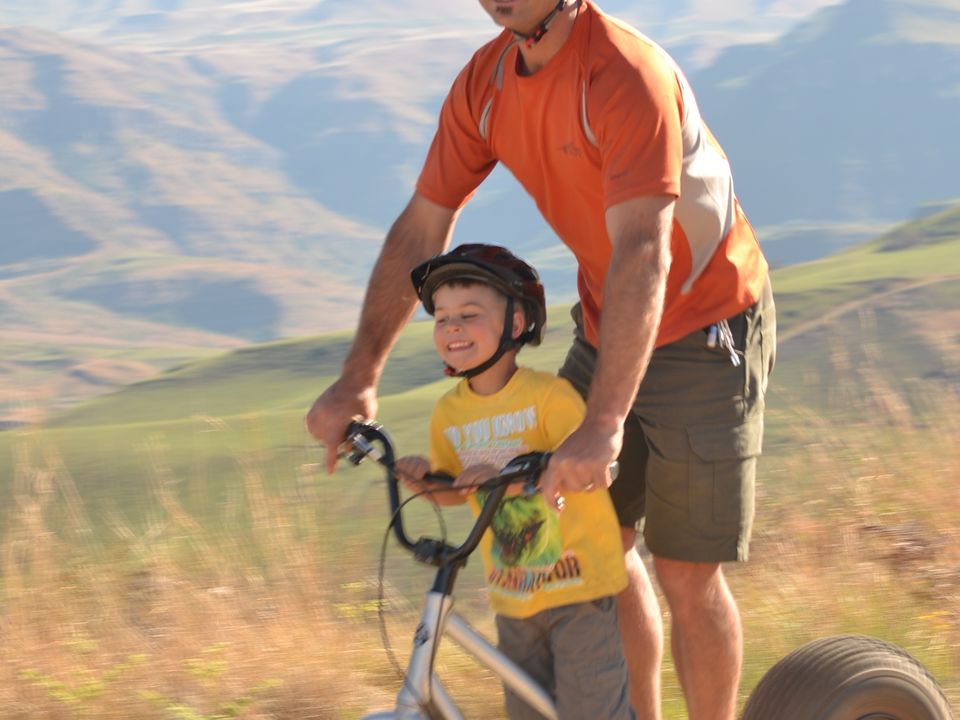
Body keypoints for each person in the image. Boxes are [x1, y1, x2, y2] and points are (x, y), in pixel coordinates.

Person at [306, 1, 776, 718]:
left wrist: (605, 423)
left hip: (706, 322)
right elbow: (422, 226)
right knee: (596, 550)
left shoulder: (624, 75)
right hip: (608, 317)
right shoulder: (487, 83)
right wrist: (358, 377)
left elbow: (645, 251)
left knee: (685, 574)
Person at [394, 243, 632, 719]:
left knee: (590, 710)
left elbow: (590, 473)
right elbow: (458, 490)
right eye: (441, 318)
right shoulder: (449, 415)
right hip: (514, 596)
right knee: (527, 713)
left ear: (515, 325)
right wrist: (424, 481)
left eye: (469, 314)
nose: (453, 327)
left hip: (577, 585)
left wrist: (522, 471)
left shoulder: (549, 397)